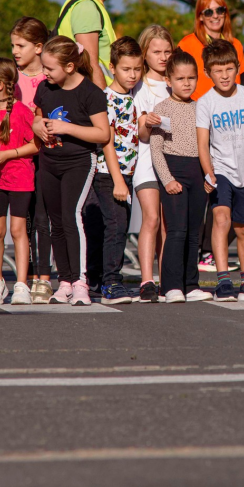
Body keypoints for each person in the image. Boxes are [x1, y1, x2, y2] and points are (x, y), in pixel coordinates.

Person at [32, 36, 110, 306]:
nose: (44, 73)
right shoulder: (45, 88)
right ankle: (64, 281)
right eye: (43, 67)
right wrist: (36, 126)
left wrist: (66, 128)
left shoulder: (91, 93)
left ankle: (80, 282)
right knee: (56, 221)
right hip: (49, 162)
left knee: (71, 216)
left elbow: (103, 133)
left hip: (78, 161)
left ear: (68, 67)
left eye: (50, 68)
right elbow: (38, 115)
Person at [196, 39, 244, 302]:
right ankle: (223, 281)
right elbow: (202, 144)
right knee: (221, 220)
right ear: (208, 73)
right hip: (220, 171)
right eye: (218, 70)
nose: (224, 75)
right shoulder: (205, 102)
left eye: (229, 69)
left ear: (238, 67)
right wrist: (208, 172)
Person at [85, 37, 143, 305]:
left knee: (114, 225)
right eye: (126, 69)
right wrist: (119, 179)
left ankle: (96, 278)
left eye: (137, 69)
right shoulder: (106, 99)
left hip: (127, 174)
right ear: (112, 68)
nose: (132, 75)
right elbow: (106, 141)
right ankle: (112, 283)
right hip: (109, 174)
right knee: (116, 226)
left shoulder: (134, 96)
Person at [0, 57, 39, 306]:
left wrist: (7, 154)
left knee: (18, 230)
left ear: (0, 85)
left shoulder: (23, 112)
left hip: (20, 176)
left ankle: (22, 284)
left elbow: (35, 145)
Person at [150, 50, 208, 303]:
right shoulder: (162, 108)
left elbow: (209, 146)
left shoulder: (202, 107)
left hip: (198, 172)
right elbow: (155, 148)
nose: (187, 83)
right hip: (174, 171)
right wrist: (167, 179)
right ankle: (170, 286)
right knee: (176, 230)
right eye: (181, 78)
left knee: (194, 232)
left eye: (191, 78)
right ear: (168, 80)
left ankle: (190, 284)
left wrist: (209, 176)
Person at [9, 17, 53, 302]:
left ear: (39, 47)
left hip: (45, 156)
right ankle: (26, 275)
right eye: (12, 45)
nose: (14, 51)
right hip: (17, 157)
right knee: (20, 221)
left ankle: (44, 277)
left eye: (20, 45)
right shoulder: (12, 77)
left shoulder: (50, 78)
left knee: (42, 217)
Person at [131, 26, 173, 302]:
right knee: (152, 218)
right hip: (146, 160)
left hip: (174, 160)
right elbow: (140, 132)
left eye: (168, 51)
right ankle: (147, 280)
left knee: (169, 224)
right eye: (156, 52)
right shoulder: (139, 86)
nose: (163, 57)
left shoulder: (177, 81)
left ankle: (168, 279)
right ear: (144, 54)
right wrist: (147, 121)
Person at [55, 0, 124, 89]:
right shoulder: (86, 7)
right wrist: (104, 105)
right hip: (91, 102)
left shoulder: (86, 3)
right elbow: (91, 65)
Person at [177, 0, 244, 100]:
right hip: (198, 110)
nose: (215, 16)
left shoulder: (236, 44)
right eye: (208, 12)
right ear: (200, 16)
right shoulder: (186, 44)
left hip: (232, 110)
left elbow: (243, 82)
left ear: (225, 13)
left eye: (220, 10)